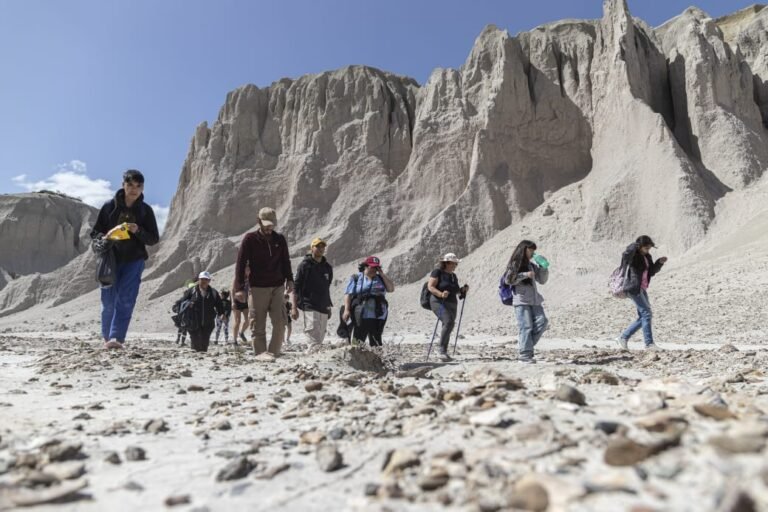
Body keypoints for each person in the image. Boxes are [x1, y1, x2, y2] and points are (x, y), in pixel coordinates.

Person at [90, 170, 159, 349]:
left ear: (142, 188)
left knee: (126, 299)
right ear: (123, 185)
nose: (134, 189)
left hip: (134, 261)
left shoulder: (145, 211)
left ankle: (117, 338)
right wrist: (107, 236)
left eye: (138, 186)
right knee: (109, 301)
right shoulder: (108, 207)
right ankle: (107, 338)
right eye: (130, 185)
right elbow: (95, 233)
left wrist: (138, 231)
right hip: (110, 261)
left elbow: (153, 239)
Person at [233, 207, 294, 361]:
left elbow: (285, 261)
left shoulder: (280, 239)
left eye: (272, 225)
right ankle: (260, 354)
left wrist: (290, 279)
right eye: (266, 224)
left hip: (278, 287)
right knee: (257, 324)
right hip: (258, 287)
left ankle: (274, 353)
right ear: (258, 221)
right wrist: (239, 288)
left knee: (280, 321)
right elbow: (240, 264)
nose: (269, 228)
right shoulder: (250, 239)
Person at [616, 235, 667, 351]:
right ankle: (649, 344)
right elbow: (625, 255)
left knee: (644, 316)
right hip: (633, 287)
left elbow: (651, 272)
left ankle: (623, 337)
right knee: (646, 314)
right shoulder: (633, 255)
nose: (648, 250)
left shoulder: (647, 256)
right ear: (640, 246)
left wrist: (659, 262)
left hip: (642, 288)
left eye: (649, 248)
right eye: (646, 248)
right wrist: (635, 245)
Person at [504, 240, 549, 363]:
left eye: (534, 250)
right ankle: (525, 355)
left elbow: (542, 280)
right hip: (521, 300)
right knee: (526, 326)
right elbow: (508, 280)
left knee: (543, 321)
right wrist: (524, 275)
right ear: (524, 250)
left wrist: (543, 268)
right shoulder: (515, 264)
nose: (533, 252)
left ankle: (526, 347)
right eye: (531, 250)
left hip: (534, 299)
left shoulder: (531, 265)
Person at [291, 238, 334, 353]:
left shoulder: (327, 267)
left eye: (322, 247)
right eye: (317, 246)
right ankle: (311, 358)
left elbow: (326, 287)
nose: (320, 249)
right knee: (312, 333)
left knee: (320, 335)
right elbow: (296, 287)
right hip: (309, 304)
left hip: (324, 305)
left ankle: (317, 360)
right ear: (312, 248)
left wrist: (328, 306)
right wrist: (294, 307)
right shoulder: (304, 265)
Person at [342, 256, 395, 347]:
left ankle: (376, 359)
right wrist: (346, 310)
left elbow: (391, 289)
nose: (374, 269)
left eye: (376, 267)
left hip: (378, 315)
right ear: (365, 266)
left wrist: (382, 274)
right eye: (372, 267)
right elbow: (348, 294)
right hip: (361, 314)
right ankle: (355, 356)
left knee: (376, 340)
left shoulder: (380, 278)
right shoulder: (356, 278)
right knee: (358, 338)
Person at [427, 253, 469, 362]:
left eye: (456, 263)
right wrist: (440, 294)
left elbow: (457, 293)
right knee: (449, 322)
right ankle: (441, 350)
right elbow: (430, 286)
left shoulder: (453, 276)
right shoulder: (437, 272)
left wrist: (462, 290)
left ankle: (444, 352)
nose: (455, 265)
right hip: (438, 301)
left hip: (452, 303)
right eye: (454, 263)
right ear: (447, 263)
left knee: (449, 325)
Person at [176, 271, 224, 353]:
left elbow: (219, 304)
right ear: (198, 280)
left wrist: (221, 314)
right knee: (195, 340)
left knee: (205, 341)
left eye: (206, 279)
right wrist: (185, 306)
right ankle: (195, 358)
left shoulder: (213, 293)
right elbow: (182, 302)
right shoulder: (192, 291)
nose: (204, 281)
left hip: (208, 321)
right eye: (202, 279)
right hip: (193, 321)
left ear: (209, 281)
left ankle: (202, 357)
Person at [173, 280, 196, 346]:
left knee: (180, 329)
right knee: (184, 330)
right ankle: (182, 342)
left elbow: (176, 308)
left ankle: (177, 340)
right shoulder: (189, 302)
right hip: (186, 317)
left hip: (180, 317)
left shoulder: (181, 301)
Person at [231, 267, 250, 345]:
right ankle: (234, 340)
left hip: (246, 301)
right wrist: (232, 302)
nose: (248, 271)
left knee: (248, 319)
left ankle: (241, 332)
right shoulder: (238, 278)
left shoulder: (251, 278)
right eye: (247, 269)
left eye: (249, 269)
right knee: (237, 321)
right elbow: (232, 290)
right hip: (237, 301)